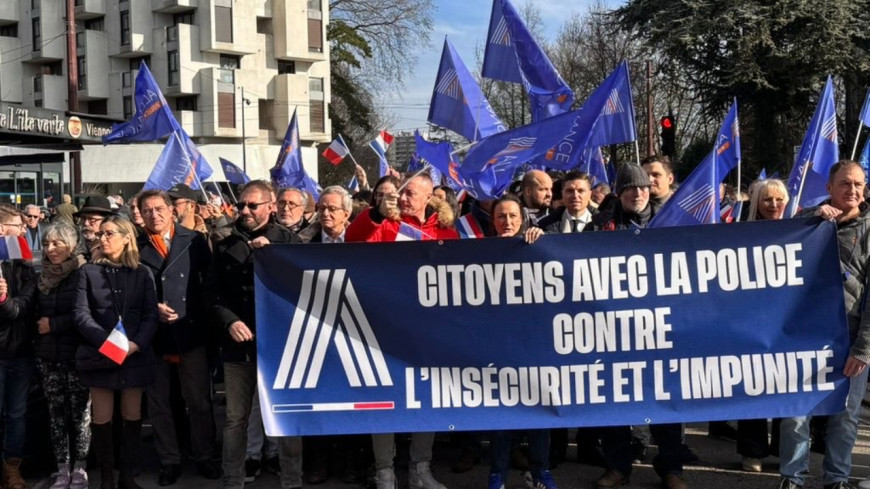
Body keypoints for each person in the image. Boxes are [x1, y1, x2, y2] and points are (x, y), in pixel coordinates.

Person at [346, 172, 457, 489]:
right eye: (401, 192)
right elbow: (353, 241)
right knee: (385, 399)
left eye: (410, 193)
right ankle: (385, 471)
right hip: (387, 329)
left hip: (429, 332)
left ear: (428, 198)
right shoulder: (386, 226)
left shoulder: (446, 233)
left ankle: (420, 469)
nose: (402, 197)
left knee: (428, 399)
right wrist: (376, 214)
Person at [593, 165, 687, 489]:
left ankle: (671, 468)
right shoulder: (599, 225)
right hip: (614, 329)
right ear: (620, 192)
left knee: (665, 399)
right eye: (631, 188)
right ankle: (618, 467)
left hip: (660, 327)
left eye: (643, 187)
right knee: (615, 402)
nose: (639, 193)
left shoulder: (670, 221)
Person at [204, 180, 303, 489]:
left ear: (270, 207)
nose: (244, 210)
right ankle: (232, 480)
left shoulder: (289, 242)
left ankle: (292, 480)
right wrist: (230, 321)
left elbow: (304, 288)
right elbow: (211, 293)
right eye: (241, 205)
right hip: (239, 347)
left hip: (281, 347)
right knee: (235, 418)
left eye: (252, 205)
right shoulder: (224, 243)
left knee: (287, 416)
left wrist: (274, 256)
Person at [779, 160, 870, 489]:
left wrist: (863, 349)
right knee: (795, 412)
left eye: (858, 183)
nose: (852, 189)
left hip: (850, 338)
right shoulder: (808, 220)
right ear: (829, 188)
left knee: (845, 415)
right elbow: (777, 249)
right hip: (803, 336)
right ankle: (792, 477)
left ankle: (836, 478)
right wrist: (811, 220)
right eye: (845, 183)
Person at [136, 190, 220, 485]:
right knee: (159, 403)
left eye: (159, 209)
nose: (154, 215)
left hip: (190, 331)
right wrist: (152, 307)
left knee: (198, 401)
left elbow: (209, 284)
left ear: (172, 210)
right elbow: (129, 290)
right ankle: (169, 460)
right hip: (153, 335)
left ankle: (205, 455)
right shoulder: (134, 244)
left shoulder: (194, 240)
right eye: (147, 210)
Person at [74, 215, 158, 489]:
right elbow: (81, 314)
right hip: (100, 355)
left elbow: (150, 315)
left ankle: (127, 476)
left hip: (134, 355)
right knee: (102, 419)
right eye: (101, 234)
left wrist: (137, 343)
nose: (103, 238)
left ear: (126, 237)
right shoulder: (88, 272)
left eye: (109, 233)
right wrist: (107, 342)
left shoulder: (142, 273)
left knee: (132, 415)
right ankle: (107, 479)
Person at [486, 195, 553, 489]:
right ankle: (497, 474)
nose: (507, 222)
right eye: (501, 216)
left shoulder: (535, 244)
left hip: (534, 345)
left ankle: (540, 471)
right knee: (503, 414)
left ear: (523, 219)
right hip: (498, 347)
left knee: (539, 412)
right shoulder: (477, 251)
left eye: (513, 216)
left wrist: (542, 241)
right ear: (493, 221)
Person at [733, 179, 789, 473]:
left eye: (779, 199)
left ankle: (784, 449)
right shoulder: (742, 234)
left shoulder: (800, 230)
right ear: (756, 202)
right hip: (751, 322)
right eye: (767, 199)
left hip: (787, 322)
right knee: (752, 386)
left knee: (786, 386)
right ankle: (751, 451)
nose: (774, 204)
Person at [34, 222, 90, 489]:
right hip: (48, 356)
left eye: (57, 243)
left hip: (76, 355)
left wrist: (54, 325)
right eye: (46, 244)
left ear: (71, 245)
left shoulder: (83, 272)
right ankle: (62, 468)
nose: (51, 249)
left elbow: (86, 313)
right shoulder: (40, 275)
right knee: (55, 414)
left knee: (80, 415)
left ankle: (81, 467)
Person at [0, 205, 37, 489]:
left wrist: (3, 300)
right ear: (2, 230)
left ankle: (12, 470)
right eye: (18, 226)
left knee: (16, 413)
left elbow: (21, 308)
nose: (24, 230)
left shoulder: (23, 263)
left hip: (19, 350)